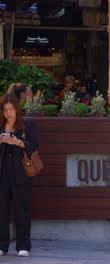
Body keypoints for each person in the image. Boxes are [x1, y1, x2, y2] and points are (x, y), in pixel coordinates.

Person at [0, 93, 39, 257]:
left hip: (21, 173)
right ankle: (2, 245)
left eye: (11, 109)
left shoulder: (27, 125)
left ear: (17, 109)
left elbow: (34, 145)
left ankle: (23, 245)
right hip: (2, 173)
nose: (8, 113)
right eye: (5, 110)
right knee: (2, 210)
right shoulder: (1, 126)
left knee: (21, 209)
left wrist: (19, 142)